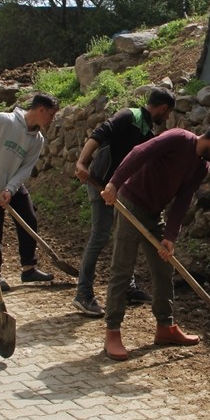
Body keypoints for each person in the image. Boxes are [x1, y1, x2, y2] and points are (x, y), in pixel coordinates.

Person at [100, 122, 210, 361]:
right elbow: (139, 152)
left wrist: (170, 236)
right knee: (122, 269)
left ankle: (165, 327)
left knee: (164, 267)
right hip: (131, 203)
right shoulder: (179, 138)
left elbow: (183, 200)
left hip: (154, 214)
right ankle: (112, 331)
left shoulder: (202, 167)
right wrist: (114, 183)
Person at [72, 88, 177, 317]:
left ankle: (128, 288)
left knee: (124, 235)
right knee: (100, 236)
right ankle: (83, 294)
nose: (167, 117)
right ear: (163, 108)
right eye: (168, 113)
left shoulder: (147, 132)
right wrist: (82, 162)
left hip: (120, 191)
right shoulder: (129, 116)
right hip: (100, 183)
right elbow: (99, 134)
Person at [0, 93, 60, 291]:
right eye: (51, 114)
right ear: (41, 110)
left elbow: (26, 168)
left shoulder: (37, 140)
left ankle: (29, 268)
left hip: (14, 185)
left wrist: (10, 189)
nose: (52, 119)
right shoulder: (6, 121)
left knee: (29, 218)